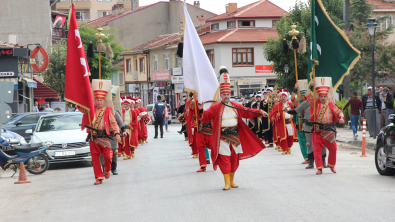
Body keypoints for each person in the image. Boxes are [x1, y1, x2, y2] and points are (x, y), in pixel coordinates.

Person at [197, 68, 267, 190]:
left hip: (235, 136)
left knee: (234, 160)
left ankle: (232, 180)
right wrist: (201, 109)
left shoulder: (236, 106)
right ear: (221, 95)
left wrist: (260, 111)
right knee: (225, 160)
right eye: (224, 95)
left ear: (230, 95)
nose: (226, 96)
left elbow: (247, 111)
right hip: (223, 138)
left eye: (228, 94)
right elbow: (205, 117)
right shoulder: (216, 107)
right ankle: (226, 182)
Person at [77, 80, 121, 185]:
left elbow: (114, 123)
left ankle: (107, 170)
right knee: (95, 159)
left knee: (107, 156)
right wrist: (79, 100)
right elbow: (80, 107)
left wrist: (117, 133)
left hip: (105, 137)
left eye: (101, 100)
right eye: (97, 100)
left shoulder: (108, 110)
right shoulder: (90, 110)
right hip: (93, 137)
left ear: (104, 100)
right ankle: (99, 178)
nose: (99, 102)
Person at [305, 77, 345, 175]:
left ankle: (331, 165)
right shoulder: (315, 104)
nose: (323, 98)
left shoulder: (331, 105)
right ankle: (319, 168)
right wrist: (311, 85)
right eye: (321, 96)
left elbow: (339, 112)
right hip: (317, 131)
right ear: (319, 96)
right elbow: (306, 96)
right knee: (317, 150)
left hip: (328, 131)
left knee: (333, 149)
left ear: (327, 97)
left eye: (324, 96)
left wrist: (341, 118)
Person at [288, 80, 328, 168]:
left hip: (320, 126)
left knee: (322, 144)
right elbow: (296, 110)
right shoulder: (305, 103)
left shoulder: (322, 103)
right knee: (309, 144)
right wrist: (287, 111)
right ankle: (311, 162)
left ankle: (323, 161)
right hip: (308, 126)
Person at [186, 96, 214, 172]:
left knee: (213, 147)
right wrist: (190, 99)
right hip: (200, 129)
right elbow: (191, 107)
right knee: (200, 147)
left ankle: (215, 161)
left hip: (210, 130)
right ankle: (203, 166)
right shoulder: (197, 101)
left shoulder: (213, 101)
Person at [269, 89, 297, 155]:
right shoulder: (277, 105)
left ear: (286, 97)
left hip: (290, 122)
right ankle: (284, 149)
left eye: (284, 97)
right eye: (282, 97)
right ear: (280, 98)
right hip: (282, 123)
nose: (283, 98)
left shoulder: (290, 104)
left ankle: (289, 147)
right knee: (283, 137)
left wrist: (292, 116)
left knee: (290, 136)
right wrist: (277, 115)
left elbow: (295, 111)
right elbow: (273, 114)